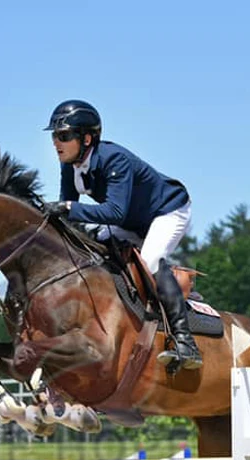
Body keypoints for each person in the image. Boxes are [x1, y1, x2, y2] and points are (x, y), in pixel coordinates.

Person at [43, 100, 202, 370]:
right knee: (95, 252)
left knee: (151, 260)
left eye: (64, 136)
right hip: (131, 219)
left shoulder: (113, 159)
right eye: (55, 136)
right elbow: (68, 214)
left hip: (166, 212)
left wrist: (68, 208)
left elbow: (113, 212)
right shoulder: (69, 165)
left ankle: (186, 342)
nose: (56, 142)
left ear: (87, 138)